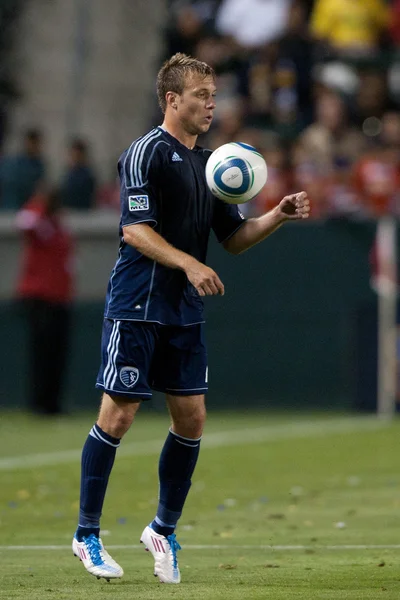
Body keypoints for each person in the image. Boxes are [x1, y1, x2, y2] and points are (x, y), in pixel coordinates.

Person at [72, 52, 310, 584]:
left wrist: (277, 214)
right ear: (172, 99)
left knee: (192, 419)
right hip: (137, 302)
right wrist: (188, 261)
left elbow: (233, 239)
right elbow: (135, 229)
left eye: (214, 94)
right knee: (119, 414)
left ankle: (163, 529)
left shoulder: (212, 164)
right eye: (201, 95)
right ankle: (86, 534)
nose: (211, 104)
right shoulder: (143, 154)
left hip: (183, 308)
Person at [15, 187, 74, 415]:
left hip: (60, 297)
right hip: (40, 298)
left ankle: (53, 403)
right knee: (41, 354)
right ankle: (39, 403)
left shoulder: (59, 227)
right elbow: (24, 221)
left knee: (57, 354)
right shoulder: (39, 222)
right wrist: (39, 202)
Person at [0, 128, 45, 210]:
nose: (34, 146)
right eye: (32, 143)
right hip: (11, 207)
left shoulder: (39, 165)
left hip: (28, 208)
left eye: (36, 143)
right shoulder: (14, 163)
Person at [59, 138, 97, 210]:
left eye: (78, 155)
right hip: (69, 210)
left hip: (84, 211)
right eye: (73, 154)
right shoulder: (67, 173)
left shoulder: (88, 174)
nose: (76, 157)